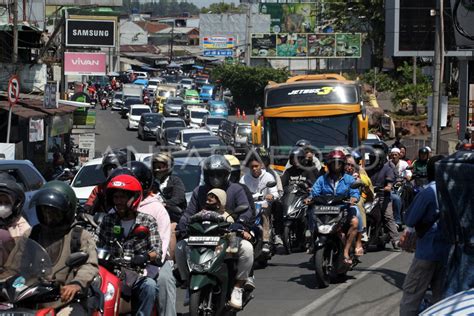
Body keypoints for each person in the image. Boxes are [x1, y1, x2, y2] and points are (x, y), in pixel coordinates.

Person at [176, 155, 253, 309]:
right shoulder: (199, 191)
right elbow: (188, 213)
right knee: (180, 247)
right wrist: (182, 226)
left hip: (228, 235)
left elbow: (247, 210)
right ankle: (188, 281)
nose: (215, 178)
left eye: (219, 174)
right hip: (201, 236)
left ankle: (238, 286)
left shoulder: (236, 189)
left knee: (247, 249)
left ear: (227, 174)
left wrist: (239, 224)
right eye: (211, 174)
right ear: (206, 174)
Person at [96, 174, 162, 316]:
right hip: (109, 273)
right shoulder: (107, 220)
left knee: (150, 286)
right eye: (116, 197)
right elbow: (95, 243)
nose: (118, 201)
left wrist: (144, 257)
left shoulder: (147, 221)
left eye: (122, 197)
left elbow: (157, 251)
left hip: (135, 275)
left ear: (134, 198)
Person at [29, 181, 99, 315]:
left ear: (66, 211)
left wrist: (76, 284)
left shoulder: (79, 235)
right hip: (32, 298)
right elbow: (16, 261)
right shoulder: (33, 233)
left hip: (65, 300)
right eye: (45, 210)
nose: (49, 215)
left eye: (54, 211)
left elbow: (89, 264)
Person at [399, 156, 449, 316]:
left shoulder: (428, 192)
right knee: (440, 299)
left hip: (426, 252)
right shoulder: (453, 191)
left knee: (411, 296)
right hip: (446, 253)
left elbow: (410, 219)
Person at [128, 161, 176, 316]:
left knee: (164, 281)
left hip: (153, 263)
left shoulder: (157, 209)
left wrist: (147, 261)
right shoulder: (117, 208)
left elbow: (161, 247)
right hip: (122, 264)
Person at [305, 150, 362, 264]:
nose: (336, 166)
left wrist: (353, 198)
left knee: (355, 221)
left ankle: (346, 251)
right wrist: (309, 198)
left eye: (339, 163)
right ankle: (312, 241)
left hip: (343, 209)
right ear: (329, 165)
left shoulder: (349, 179)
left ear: (342, 165)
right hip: (324, 210)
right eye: (333, 163)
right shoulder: (322, 179)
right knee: (310, 212)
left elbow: (355, 192)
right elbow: (315, 192)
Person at [240, 155, 279, 253]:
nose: (254, 169)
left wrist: (271, 196)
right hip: (249, 205)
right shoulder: (244, 178)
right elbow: (240, 192)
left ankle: (266, 241)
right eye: (252, 167)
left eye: (256, 166)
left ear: (261, 165)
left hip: (264, 204)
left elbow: (275, 193)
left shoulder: (268, 176)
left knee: (264, 212)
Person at [151, 152, 186, 261]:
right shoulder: (152, 183)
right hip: (154, 217)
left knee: (170, 231)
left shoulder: (175, 181)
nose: (157, 170)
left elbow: (179, 198)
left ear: (168, 167)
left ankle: (169, 261)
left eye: (160, 166)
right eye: (155, 167)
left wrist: (165, 204)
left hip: (173, 217)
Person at [366, 143, 401, 251]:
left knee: (388, 217)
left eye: (375, 159)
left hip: (383, 196)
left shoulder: (387, 169)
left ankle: (395, 240)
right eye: (372, 158)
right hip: (368, 197)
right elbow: (361, 178)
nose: (373, 161)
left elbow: (390, 181)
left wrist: (388, 186)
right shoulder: (367, 168)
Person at [84, 149, 129, 214]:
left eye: (115, 167)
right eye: (109, 168)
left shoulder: (130, 186)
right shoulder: (100, 188)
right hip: (105, 221)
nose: (112, 170)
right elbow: (90, 204)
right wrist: (86, 209)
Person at [344, 154, 373, 248]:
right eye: (347, 164)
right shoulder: (338, 173)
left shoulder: (359, 171)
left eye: (352, 165)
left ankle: (362, 231)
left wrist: (359, 179)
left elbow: (367, 182)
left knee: (358, 204)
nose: (349, 167)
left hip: (359, 195)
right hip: (341, 198)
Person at [0, 172, 30, 238]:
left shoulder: (22, 228)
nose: (2, 206)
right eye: (0, 202)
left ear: (15, 205)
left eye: (7, 202)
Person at [390, 147, 412, 227]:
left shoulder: (404, 163)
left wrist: (407, 176)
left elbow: (408, 173)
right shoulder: (388, 164)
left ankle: (400, 218)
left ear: (399, 155)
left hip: (402, 184)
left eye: (396, 155)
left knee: (405, 194)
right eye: (393, 155)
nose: (394, 156)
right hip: (391, 185)